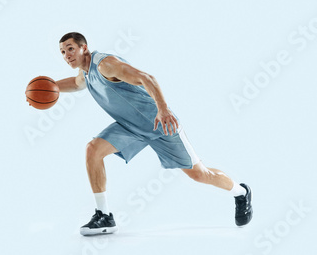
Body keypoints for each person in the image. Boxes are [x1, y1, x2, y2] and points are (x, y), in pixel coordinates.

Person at [55, 32, 253, 236]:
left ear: (84, 48)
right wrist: (51, 86)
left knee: (200, 174)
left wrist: (163, 109)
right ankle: (104, 215)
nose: (67, 55)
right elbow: (77, 83)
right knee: (93, 150)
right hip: (129, 127)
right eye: (63, 52)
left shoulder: (106, 64)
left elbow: (146, 78)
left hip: (159, 122)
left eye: (71, 48)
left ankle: (241, 192)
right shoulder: (85, 73)